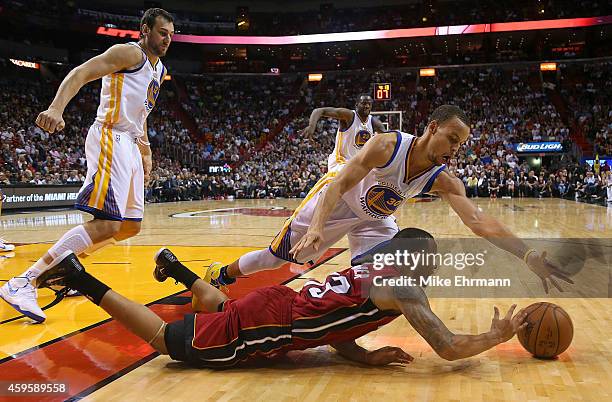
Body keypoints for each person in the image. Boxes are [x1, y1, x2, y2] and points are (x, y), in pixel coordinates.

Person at [34, 228, 529, 368]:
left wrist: (362, 357)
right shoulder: (404, 287)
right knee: (167, 342)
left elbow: (336, 328)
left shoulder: (369, 270)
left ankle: (176, 269)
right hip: (267, 324)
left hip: (275, 305)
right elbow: (446, 347)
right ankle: (79, 278)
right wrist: (497, 334)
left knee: (220, 309)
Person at [208, 105, 571, 293]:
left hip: (376, 218)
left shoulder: (445, 180)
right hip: (336, 202)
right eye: (452, 138)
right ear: (432, 128)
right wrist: (318, 228)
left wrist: (527, 254)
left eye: (461, 143)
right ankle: (222, 274)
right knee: (276, 260)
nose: (455, 149)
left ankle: (335, 323)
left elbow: (479, 221)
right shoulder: (387, 145)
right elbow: (337, 185)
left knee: (382, 278)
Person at [0, 8, 175, 323]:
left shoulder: (159, 68)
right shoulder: (128, 53)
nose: (167, 39)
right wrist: (56, 108)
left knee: (129, 227)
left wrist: (146, 150)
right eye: (163, 33)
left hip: (131, 144)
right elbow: (81, 72)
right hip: (111, 137)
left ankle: (65, 270)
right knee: (107, 223)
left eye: (171, 35)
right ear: (145, 29)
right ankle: (25, 280)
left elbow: (141, 113)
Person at [301, 94, 387, 172]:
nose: (367, 106)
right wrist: (311, 126)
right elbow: (319, 111)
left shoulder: (374, 122)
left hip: (357, 164)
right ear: (357, 105)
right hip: (340, 162)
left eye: (369, 104)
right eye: (364, 103)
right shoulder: (349, 116)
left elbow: (388, 137)